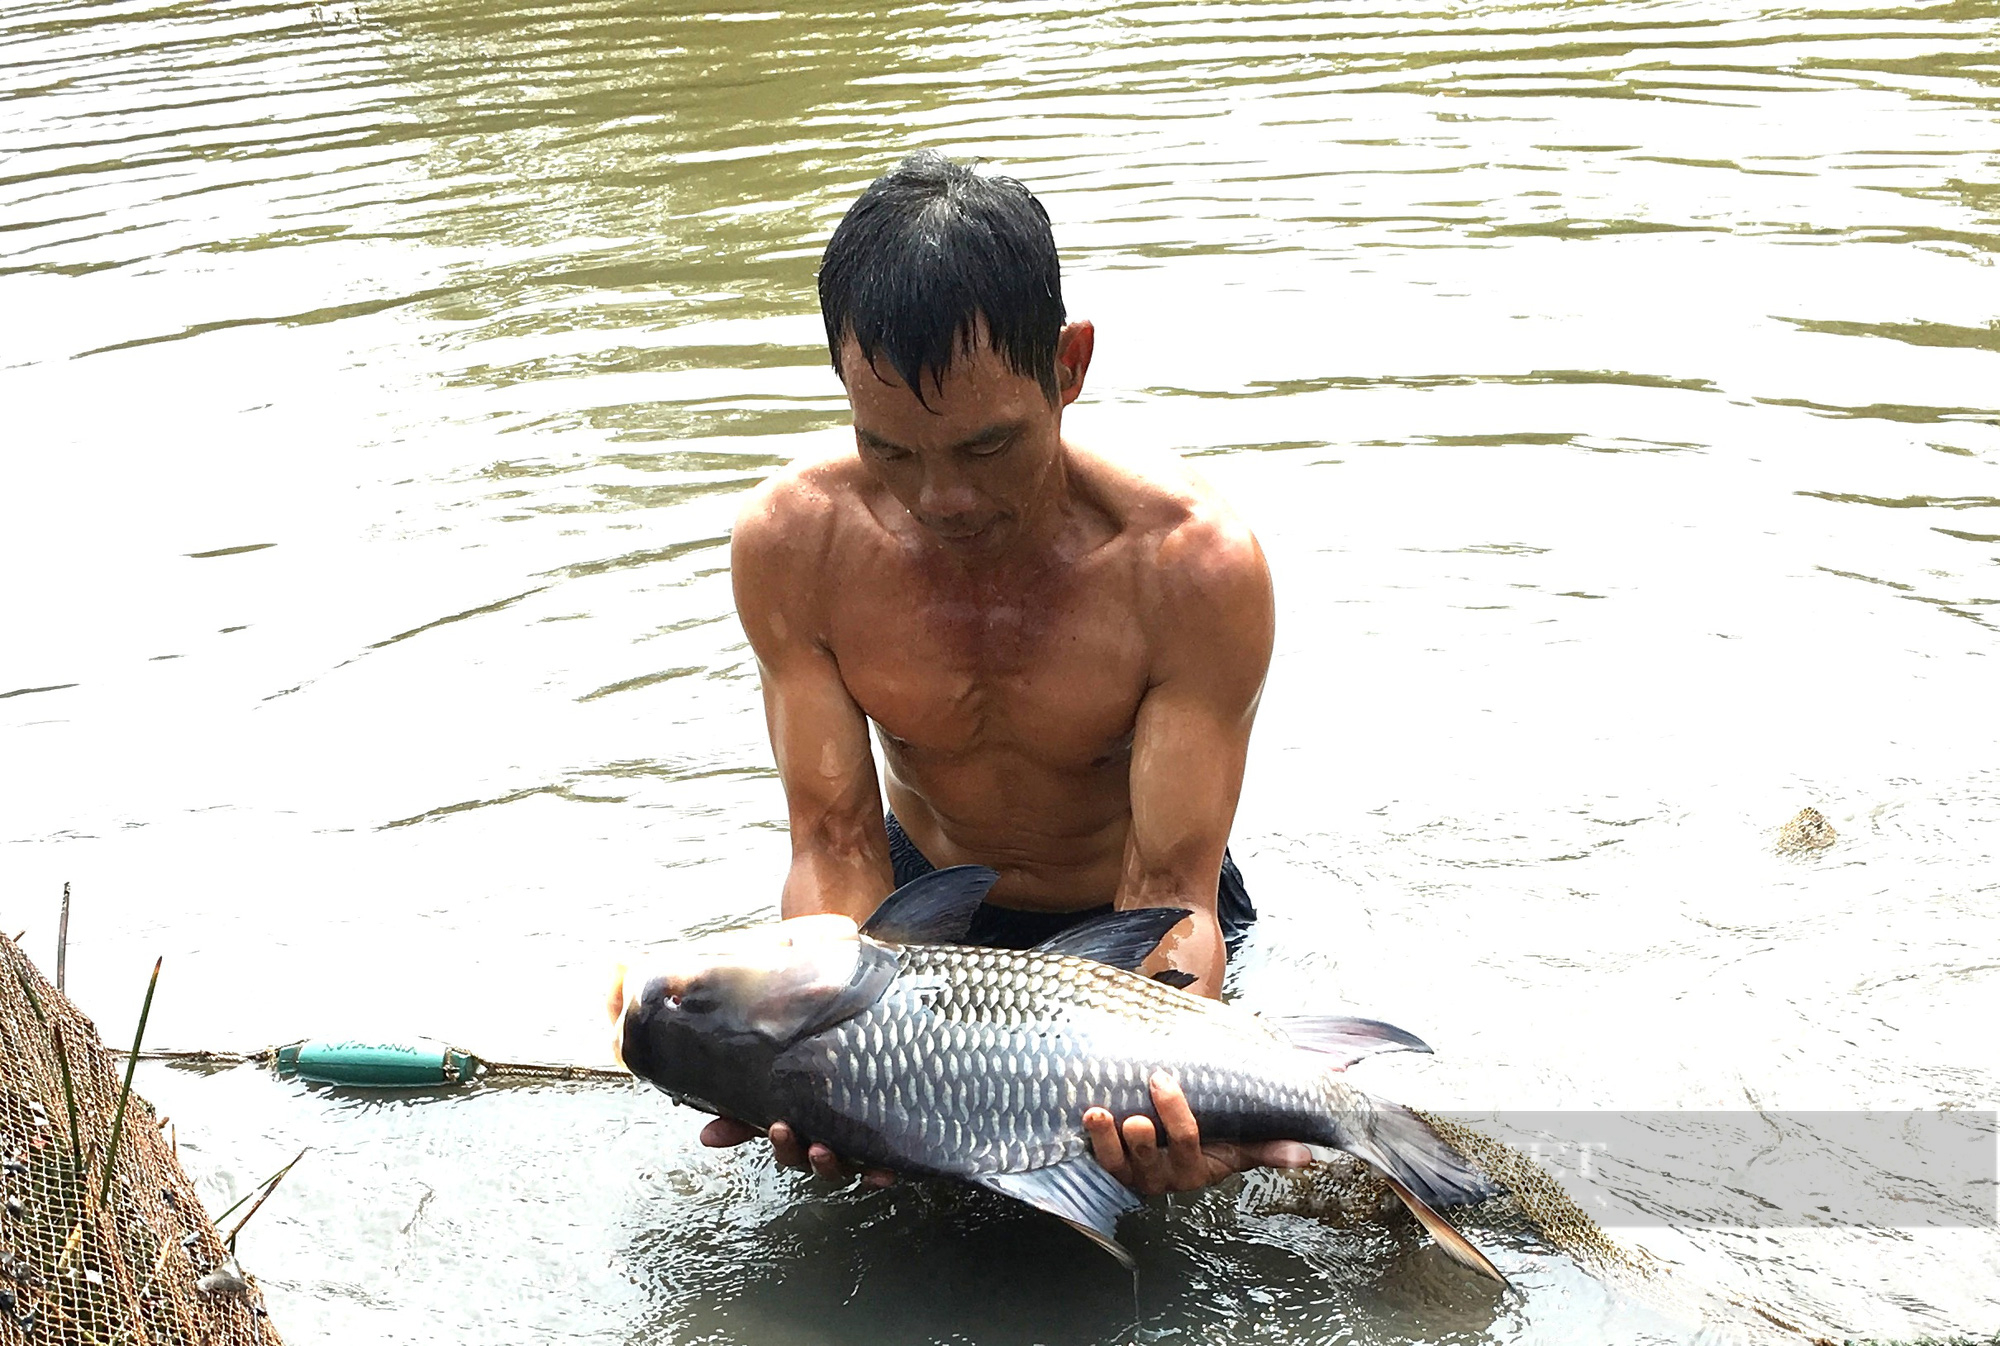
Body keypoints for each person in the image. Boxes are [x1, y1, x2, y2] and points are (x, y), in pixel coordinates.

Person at [705, 150, 1306, 1194]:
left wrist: (1156, 1075)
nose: (940, 498)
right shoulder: (793, 544)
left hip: (1129, 923)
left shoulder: (1189, 568)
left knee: (1161, 1185)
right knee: (851, 1196)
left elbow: (1170, 892)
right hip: (919, 914)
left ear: (1067, 367)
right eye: (888, 450)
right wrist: (824, 1046)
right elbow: (836, 841)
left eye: (986, 447)